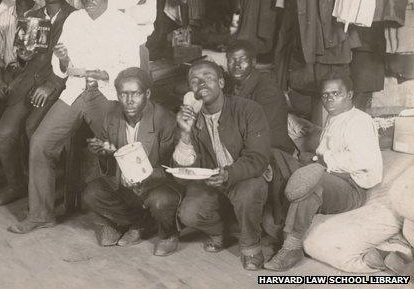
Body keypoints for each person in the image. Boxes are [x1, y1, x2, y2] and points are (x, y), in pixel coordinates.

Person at [8, 0, 142, 234]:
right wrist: (64, 58)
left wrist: (102, 73)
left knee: (122, 148)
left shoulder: (124, 23)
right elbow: (63, 68)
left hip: (106, 93)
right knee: (40, 142)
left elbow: (132, 69)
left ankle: (129, 217)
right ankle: (41, 213)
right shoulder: (75, 20)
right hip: (75, 91)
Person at [264, 76, 383, 271]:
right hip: (327, 174)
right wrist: (310, 159)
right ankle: (278, 223)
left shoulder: (360, 121)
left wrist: (321, 161)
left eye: (335, 93)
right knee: (277, 156)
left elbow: (363, 161)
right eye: (325, 95)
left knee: (312, 183)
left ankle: (291, 247)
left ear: (349, 95)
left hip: (351, 187)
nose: (329, 99)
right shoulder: (333, 118)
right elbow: (321, 156)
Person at [174, 59, 271, 270]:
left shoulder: (248, 109)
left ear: (221, 82)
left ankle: (250, 245)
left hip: (243, 176)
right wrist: (184, 133)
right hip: (211, 181)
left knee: (249, 192)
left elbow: (258, 158)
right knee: (188, 213)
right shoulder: (189, 117)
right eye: (195, 81)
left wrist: (228, 174)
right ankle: (218, 231)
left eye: (208, 78)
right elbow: (181, 173)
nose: (201, 84)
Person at [0, 0, 74, 207]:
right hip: (27, 83)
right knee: (4, 132)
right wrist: (22, 57)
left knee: (32, 128)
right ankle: (15, 183)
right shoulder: (33, 15)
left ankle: (51, 186)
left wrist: (51, 84)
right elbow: (22, 56)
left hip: (58, 84)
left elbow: (76, 59)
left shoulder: (75, 17)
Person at [83, 67, 181, 256]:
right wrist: (103, 151)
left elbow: (173, 167)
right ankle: (140, 223)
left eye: (135, 94)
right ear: (117, 95)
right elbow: (110, 157)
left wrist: (145, 176)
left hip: (157, 184)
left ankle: (169, 235)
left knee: (161, 201)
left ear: (147, 94)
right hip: (126, 185)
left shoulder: (164, 119)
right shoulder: (112, 116)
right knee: (91, 193)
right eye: (123, 94)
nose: (129, 100)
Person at [225, 40, 296, 154]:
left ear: (253, 62)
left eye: (242, 60)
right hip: (245, 146)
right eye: (231, 60)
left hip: (272, 151)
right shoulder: (232, 86)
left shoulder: (268, 89)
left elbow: (255, 128)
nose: (236, 65)